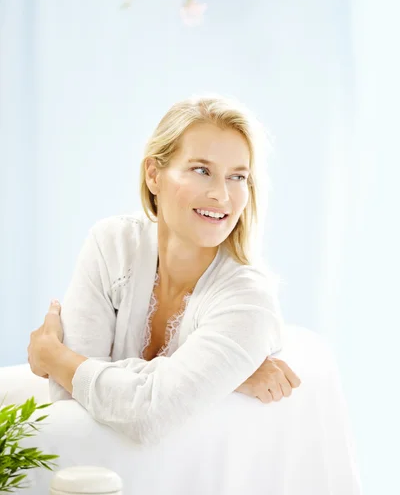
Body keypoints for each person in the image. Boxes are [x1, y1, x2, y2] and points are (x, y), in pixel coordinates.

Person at [27, 93, 301, 446]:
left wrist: (56, 357)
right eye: (201, 170)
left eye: (237, 177)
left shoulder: (249, 298)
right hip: (99, 470)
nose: (221, 194)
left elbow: (149, 416)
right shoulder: (112, 243)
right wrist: (210, 380)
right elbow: (69, 399)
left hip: (198, 489)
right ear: (154, 175)